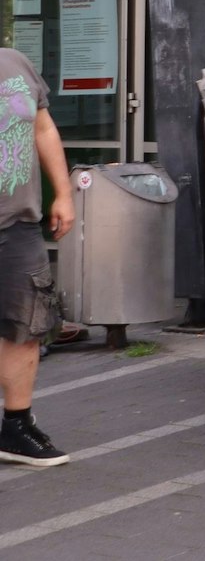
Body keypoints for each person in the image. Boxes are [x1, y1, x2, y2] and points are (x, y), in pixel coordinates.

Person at [0, 48, 77, 468]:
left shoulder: (16, 62)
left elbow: (43, 128)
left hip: (17, 223)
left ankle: (16, 427)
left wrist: (62, 193)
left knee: (25, 325)